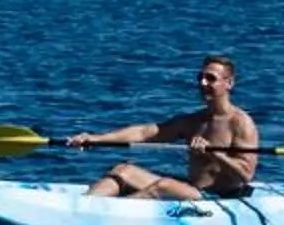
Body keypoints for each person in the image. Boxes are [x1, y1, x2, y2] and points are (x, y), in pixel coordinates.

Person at [62, 56, 259, 201]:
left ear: (229, 83)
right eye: (200, 77)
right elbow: (144, 132)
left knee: (164, 186)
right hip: (193, 188)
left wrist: (215, 154)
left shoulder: (241, 123)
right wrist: (96, 139)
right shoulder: (193, 120)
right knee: (123, 171)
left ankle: (111, 214)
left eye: (210, 78)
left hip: (219, 197)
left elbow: (246, 174)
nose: (202, 83)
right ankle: (83, 206)